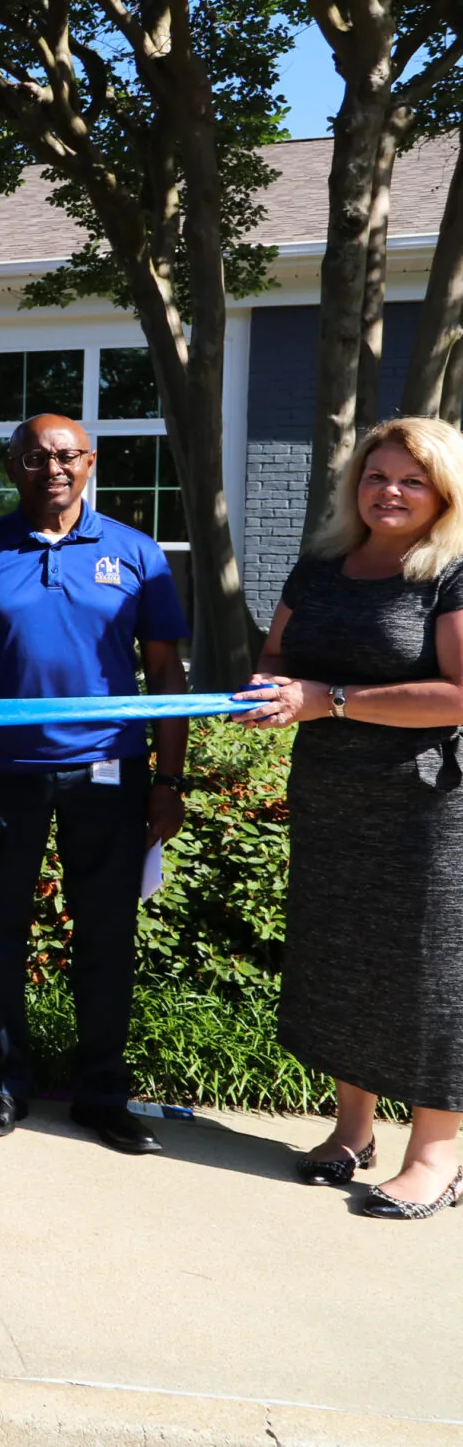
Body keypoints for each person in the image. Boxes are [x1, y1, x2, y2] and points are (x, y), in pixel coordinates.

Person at [0, 414, 189, 1156]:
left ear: (90, 462)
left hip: (110, 770)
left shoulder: (136, 553)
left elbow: (166, 672)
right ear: (11, 467)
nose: (52, 467)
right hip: (1, 775)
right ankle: (2, 1083)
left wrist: (169, 779)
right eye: (34, 456)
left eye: (66, 455)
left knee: (106, 936)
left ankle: (103, 1094)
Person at [237, 415, 463, 1219]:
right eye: (376, 475)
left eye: (411, 479)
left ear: (444, 491)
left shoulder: (451, 572)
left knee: (431, 972)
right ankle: (352, 1131)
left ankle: (436, 1156)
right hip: (332, 797)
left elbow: (459, 693)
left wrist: (328, 699)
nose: (389, 491)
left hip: (427, 807)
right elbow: (277, 657)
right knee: (344, 960)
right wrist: (269, 692)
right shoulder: (320, 568)